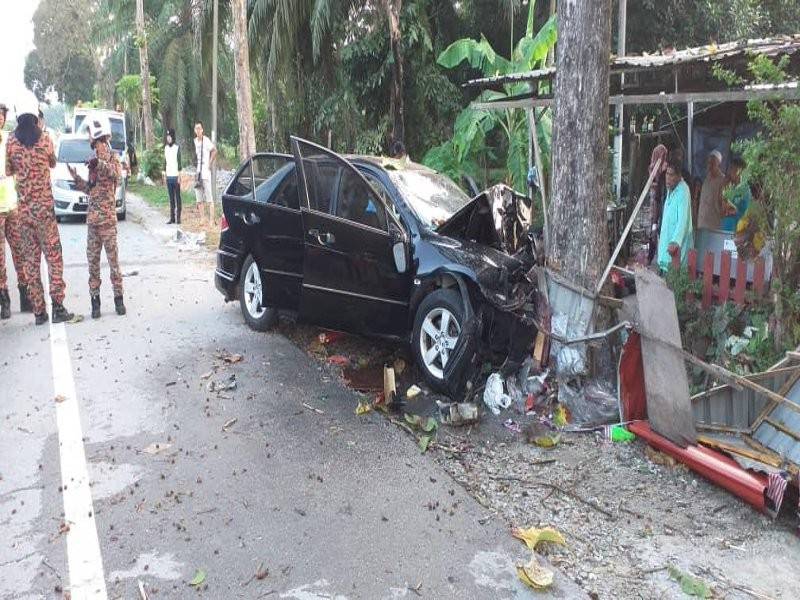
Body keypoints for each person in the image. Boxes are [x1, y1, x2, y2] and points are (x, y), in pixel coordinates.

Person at [5, 103, 73, 324]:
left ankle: (39, 312)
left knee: (31, 262)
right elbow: (53, 162)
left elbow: (8, 170)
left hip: (24, 214)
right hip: (44, 213)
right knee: (54, 258)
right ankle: (58, 307)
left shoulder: (11, 142)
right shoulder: (45, 139)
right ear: (36, 117)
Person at [67, 116, 126, 319]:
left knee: (114, 264)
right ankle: (95, 302)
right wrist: (77, 179)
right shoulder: (93, 161)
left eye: (91, 136)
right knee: (93, 265)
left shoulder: (113, 158)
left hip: (107, 222)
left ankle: (119, 299)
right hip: (93, 222)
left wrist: (98, 163)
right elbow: (91, 189)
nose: (91, 141)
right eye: (92, 141)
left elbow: (115, 175)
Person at [0, 103, 32, 318]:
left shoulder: (10, 139)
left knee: (20, 252)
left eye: (2, 115)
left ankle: (25, 295)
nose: (0, 118)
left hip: (13, 206)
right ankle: (4, 300)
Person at [657, 159, 694, 272]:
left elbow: (683, 220)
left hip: (676, 246)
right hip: (667, 241)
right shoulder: (671, 189)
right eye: (667, 174)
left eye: (671, 175)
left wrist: (675, 241)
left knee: (675, 275)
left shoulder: (683, 191)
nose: (668, 178)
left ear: (678, 176)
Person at [647, 144, 668, 264]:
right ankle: (651, 256)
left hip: (661, 200)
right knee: (653, 228)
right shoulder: (653, 167)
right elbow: (652, 183)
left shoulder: (665, 168)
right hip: (654, 201)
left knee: (661, 227)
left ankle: (660, 256)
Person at [193, 122, 217, 227]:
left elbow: (214, 151)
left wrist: (209, 163)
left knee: (209, 197)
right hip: (198, 172)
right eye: (196, 128)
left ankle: (211, 220)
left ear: (202, 130)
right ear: (195, 130)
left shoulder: (206, 140)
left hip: (205, 172)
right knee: (199, 198)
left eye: (199, 128)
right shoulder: (195, 141)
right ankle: (202, 219)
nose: (198, 130)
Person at [696, 150, 726, 230]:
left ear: (719, 165)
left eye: (713, 163)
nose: (709, 166)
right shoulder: (707, 178)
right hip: (701, 224)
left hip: (714, 226)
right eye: (709, 163)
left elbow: (723, 204)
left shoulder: (722, 180)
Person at [720, 157, 750, 233]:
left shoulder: (746, 190)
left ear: (739, 171)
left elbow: (745, 213)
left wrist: (733, 210)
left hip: (737, 230)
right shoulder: (729, 188)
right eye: (730, 169)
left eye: (733, 169)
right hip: (725, 228)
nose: (730, 172)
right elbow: (722, 210)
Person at [164, 129, 182, 224]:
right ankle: (172, 218)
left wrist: (179, 176)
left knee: (177, 197)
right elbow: (165, 162)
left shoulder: (177, 148)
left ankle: (178, 217)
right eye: (167, 137)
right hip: (169, 176)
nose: (168, 138)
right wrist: (164, 174)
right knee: (171, 199)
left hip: (176, 176)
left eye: (170, 136)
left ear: (173, 137)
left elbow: (179, 163)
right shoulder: (166, 148)